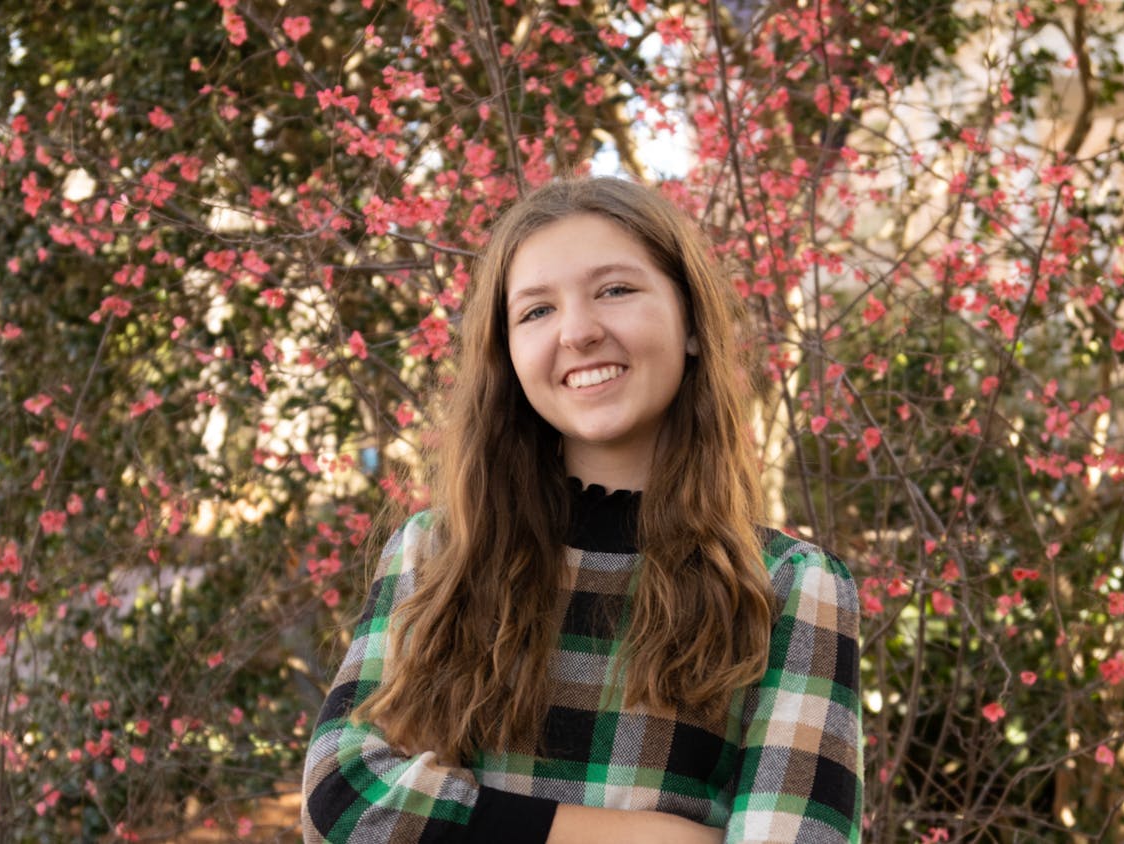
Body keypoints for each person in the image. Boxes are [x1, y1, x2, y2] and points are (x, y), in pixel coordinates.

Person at [301, 177, 862, 843]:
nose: (579, 331)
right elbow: (342, 797)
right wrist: (657, 838)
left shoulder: (791, 588)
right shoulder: (434, 555)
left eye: (615, 290)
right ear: (506, 355)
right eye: (535, 311)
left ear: (689, 323)